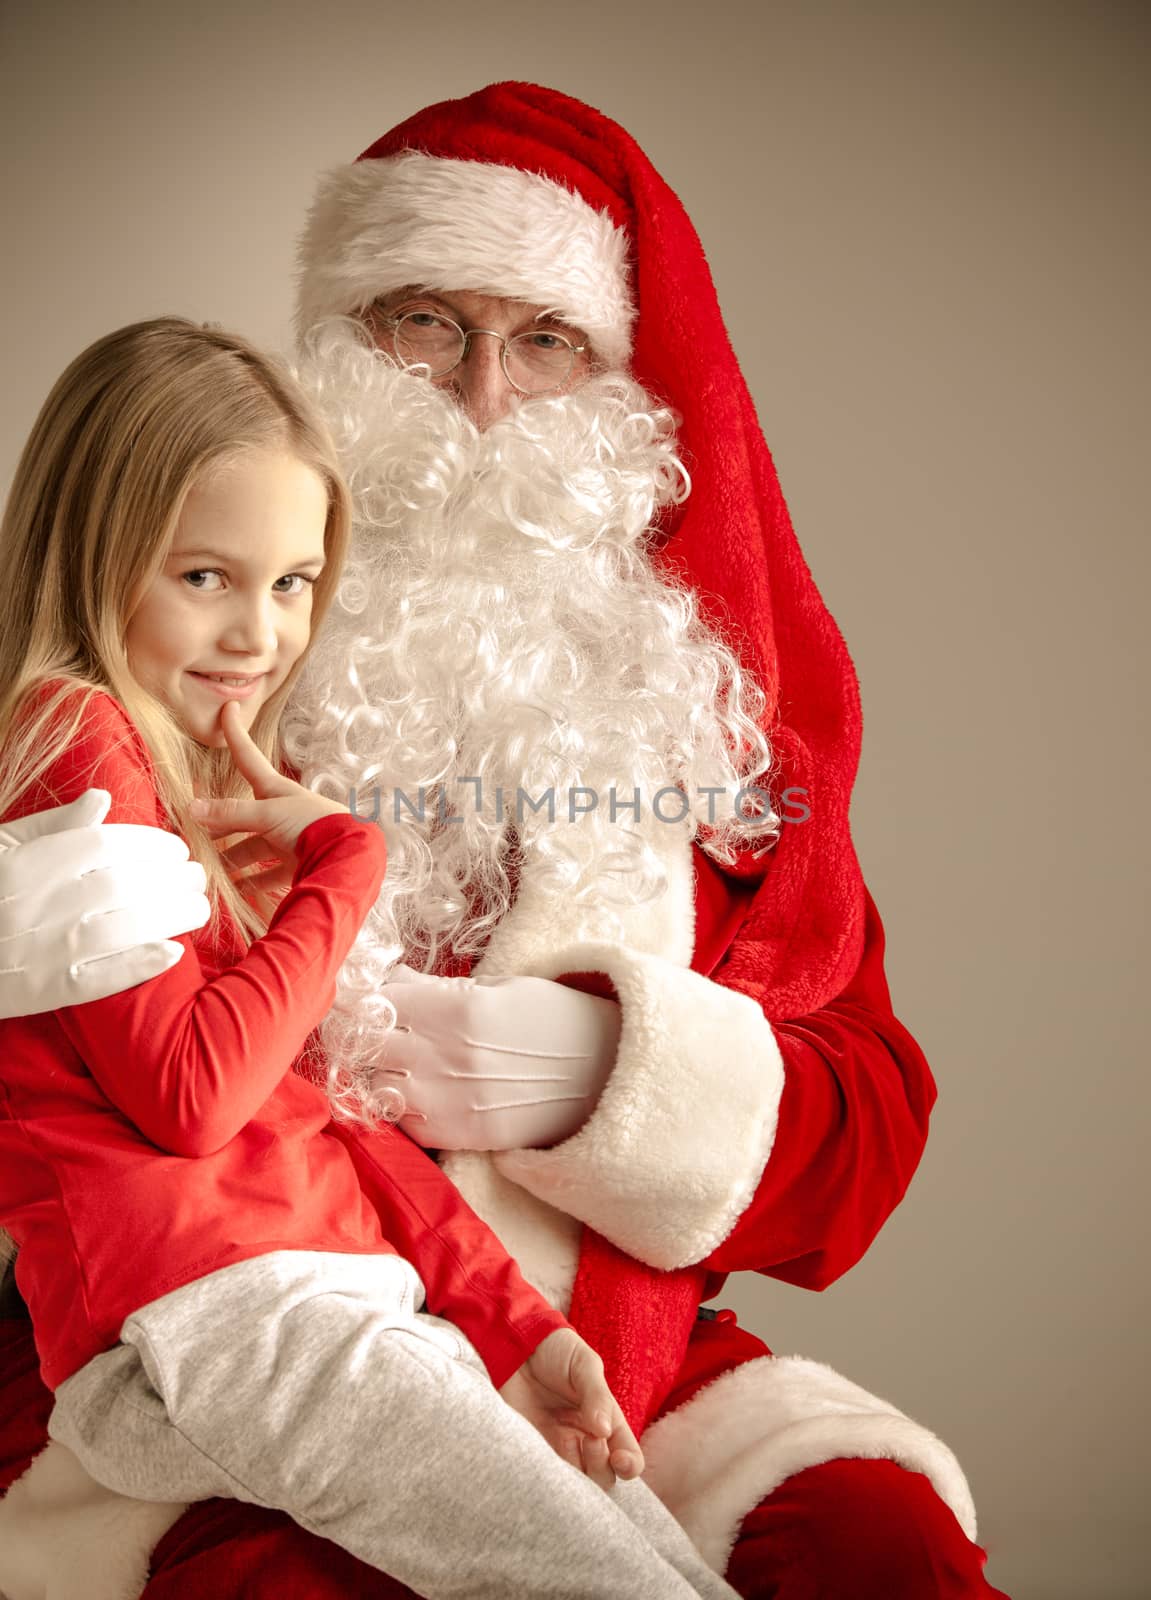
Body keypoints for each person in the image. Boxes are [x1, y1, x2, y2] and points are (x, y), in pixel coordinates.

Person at [0, 84, 1010, 1599]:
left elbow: (864, 1132)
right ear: (336, 346)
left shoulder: (695, 717)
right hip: (241, 1328)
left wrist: (601, 1074)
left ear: (623, 392)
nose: (480, 394)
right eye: (421, 322)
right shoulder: (172, 697)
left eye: (542, 340)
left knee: (882, 1552)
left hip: (614, 1346)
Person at [0, 316, 744, 1600]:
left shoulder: (190, 790)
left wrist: (516, 1330)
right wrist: (348, 864)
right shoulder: (71, 739)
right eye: (203, 577)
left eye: (292, 582)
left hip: (318, 1300)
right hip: (220, 1318)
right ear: (94, 551)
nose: (258, 635)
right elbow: (195, 1099)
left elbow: (312, 1118)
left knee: (650, 1561)